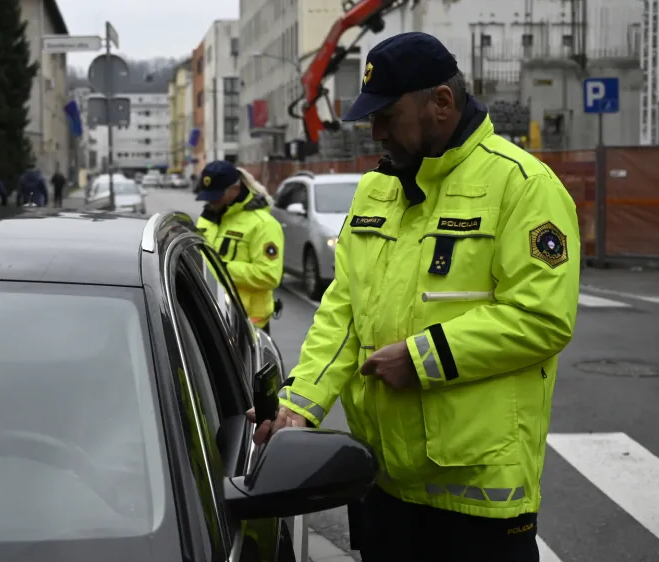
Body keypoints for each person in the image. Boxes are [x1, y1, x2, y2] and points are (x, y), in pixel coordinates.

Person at [249, 32, 580, 562]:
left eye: (387, 116)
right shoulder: (376, 189)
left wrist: (423, 359)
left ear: (441, 104)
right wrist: (299, 406)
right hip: (383, 486)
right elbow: (344, 308)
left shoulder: (522, 186)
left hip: (478, 502)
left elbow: (541, 317)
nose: (374, 131)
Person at [194, 160, 284, 334]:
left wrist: (219, 268)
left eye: (217, 196)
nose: (212, 201)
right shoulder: (208, 217)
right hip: (212, 316)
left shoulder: (263, 224)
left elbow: (269, 275)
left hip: (248, 324)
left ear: (235, 189)